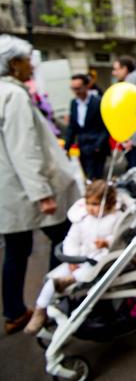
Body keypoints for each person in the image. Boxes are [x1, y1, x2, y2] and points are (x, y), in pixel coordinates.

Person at [0, 34, 79, 334]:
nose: (32, 67)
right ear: (13, 64)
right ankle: (54, 295)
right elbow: (25, 148)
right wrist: (42, 193)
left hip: (12, 191)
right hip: (28, 191)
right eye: (27, 61)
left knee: (16, 250)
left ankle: (14, 312)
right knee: (63, 239)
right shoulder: (14, 95)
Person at [24, 180, 121, 334]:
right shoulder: (82, 219)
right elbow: (71, 239)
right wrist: (71, 259)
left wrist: (107, 242)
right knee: (52, 280)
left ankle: (70, 281)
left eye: (96, 204)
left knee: (88, 271)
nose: (91, 208)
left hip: (99, 260)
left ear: (108, 203)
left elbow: (118, 238)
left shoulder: (115, 218)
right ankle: (40, 310)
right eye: (89, 203)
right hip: (77, 260)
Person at [64, 74, 110, 180]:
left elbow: (105, 126)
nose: (76, 92)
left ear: (86, 86)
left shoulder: (98, 102)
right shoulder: (74, 103)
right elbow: (72, 127)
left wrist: (99, 145)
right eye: (73, 89)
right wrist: (67, 147)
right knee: (86, 176)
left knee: (97, 178)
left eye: (78, 88)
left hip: (96, 147)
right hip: (83, 146)